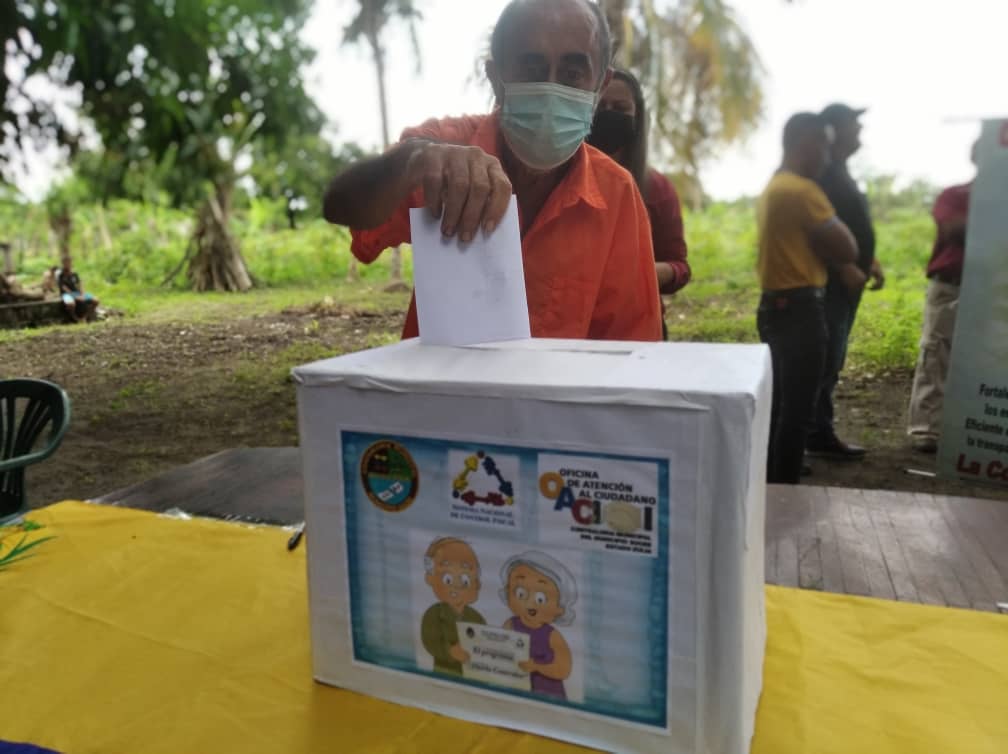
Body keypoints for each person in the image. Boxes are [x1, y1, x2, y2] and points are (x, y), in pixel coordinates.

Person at [323, 0, 662, 343]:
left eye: (572, 74)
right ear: (496, 79)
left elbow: (629, 344)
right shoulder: (439, 149)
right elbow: (340, 206)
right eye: (531, 68)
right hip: (440, 378)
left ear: (600, 87)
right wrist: (412, 160)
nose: (550, 89)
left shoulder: (617, 192)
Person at [756, 113, 862, 484]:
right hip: (801, 310)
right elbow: (847, 248)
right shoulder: (802, 191)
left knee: (779, 403)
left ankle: (769, 480)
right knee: (798, 410)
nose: (828, 157)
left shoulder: (775, 185)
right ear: (806, 142)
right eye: (825, 146)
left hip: (774, 306)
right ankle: (785, 492)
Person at [806, 104, 885, 460]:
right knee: (823, 360)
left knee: (833, 359)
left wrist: (870, 260)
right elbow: (815, 230)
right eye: (855, 123)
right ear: (835, 130)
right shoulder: (823, 174)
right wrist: (844, 266)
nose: (860, 130)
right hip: (831, 286)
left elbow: (848, 224)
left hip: (847, 285)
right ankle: (811, 435)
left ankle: (819, 431)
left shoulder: (840, 171)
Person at [587, 69, 690, 340]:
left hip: (638, 333)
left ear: (638, 116)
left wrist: (647, 271)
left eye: (620, 108)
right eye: (600, 106)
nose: (609, 114)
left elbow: (680, 267)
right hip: (571, 330)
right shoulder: (556, 179)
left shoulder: (657, 188)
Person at [906, 143, 977, 453]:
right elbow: (952, 229)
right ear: (976, 157)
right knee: (937, 354)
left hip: (994, 290)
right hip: (951, 285)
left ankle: (977, 429)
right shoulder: (955, 195)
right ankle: (927, 430)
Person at [499, 551, 576, 700]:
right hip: (516, 692)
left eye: (540, 598)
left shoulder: (552, 635)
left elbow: (564, 670)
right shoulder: (510, 624)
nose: (529, 603)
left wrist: (537, 667)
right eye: (521, 594)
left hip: (548, 695)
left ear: (559, 608)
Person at [420, 537, 486, 676]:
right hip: (445, 675)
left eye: (465, 580)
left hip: (474, 677)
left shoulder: (476, 617)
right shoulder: (434, 614)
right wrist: (450, 652)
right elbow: (430, 641)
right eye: (448, 579)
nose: (456, 585)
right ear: (431, 578)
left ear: (477, 584)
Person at [57, 258, 99, 322]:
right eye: (66, 263)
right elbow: (65, 289)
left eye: (69, 263)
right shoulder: (61, 276)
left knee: (96, 300)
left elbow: (80, 284)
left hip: (77, 292)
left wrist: (82, 294)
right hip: (67, 294)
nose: (68, 264)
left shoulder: (74, 274)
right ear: (63, 264)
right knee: (71, 304)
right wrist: (76, 297)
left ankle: (85, 316)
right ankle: (75, 318)